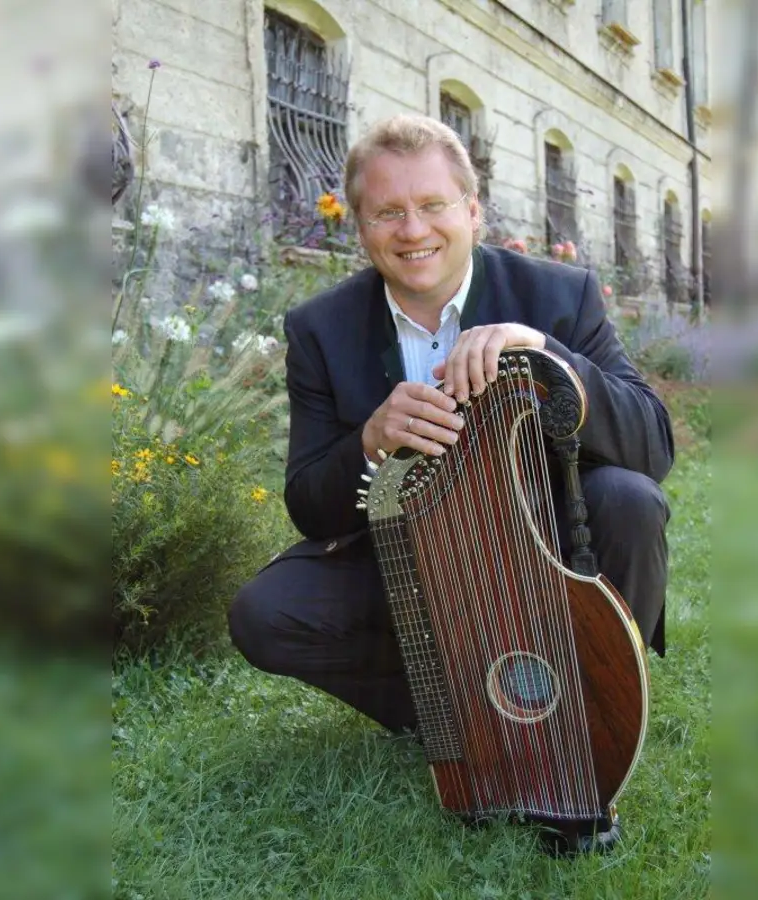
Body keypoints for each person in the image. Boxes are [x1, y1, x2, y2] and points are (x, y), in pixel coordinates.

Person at [227, 114, 674, 740]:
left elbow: (653, 444)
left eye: (433, 204)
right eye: (386, 213)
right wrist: (370, 440)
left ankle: (597, 707)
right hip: (415, 564)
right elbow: (309, 506)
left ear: (472, 211)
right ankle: (459, 713)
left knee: (629, 499)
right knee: (266, 612)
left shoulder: (558, 297)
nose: (413, 231)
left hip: (548, 544)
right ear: (359, 227)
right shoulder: (318, 328)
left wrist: (545, 354)